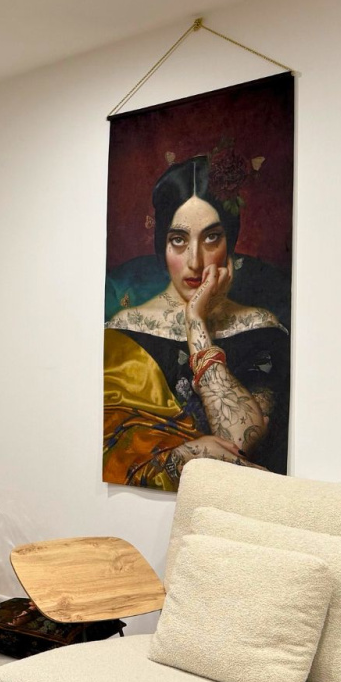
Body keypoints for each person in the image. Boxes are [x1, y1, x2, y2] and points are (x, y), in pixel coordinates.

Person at [103, 155, 289, 490]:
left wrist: (196, 322)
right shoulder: (123, 330)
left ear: (229, 242)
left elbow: (239, 439)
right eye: (178, 239)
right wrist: (181, 456)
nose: (195, 260)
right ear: (162, 243)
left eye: (211, 238)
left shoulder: (259, 328)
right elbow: (113, 450)